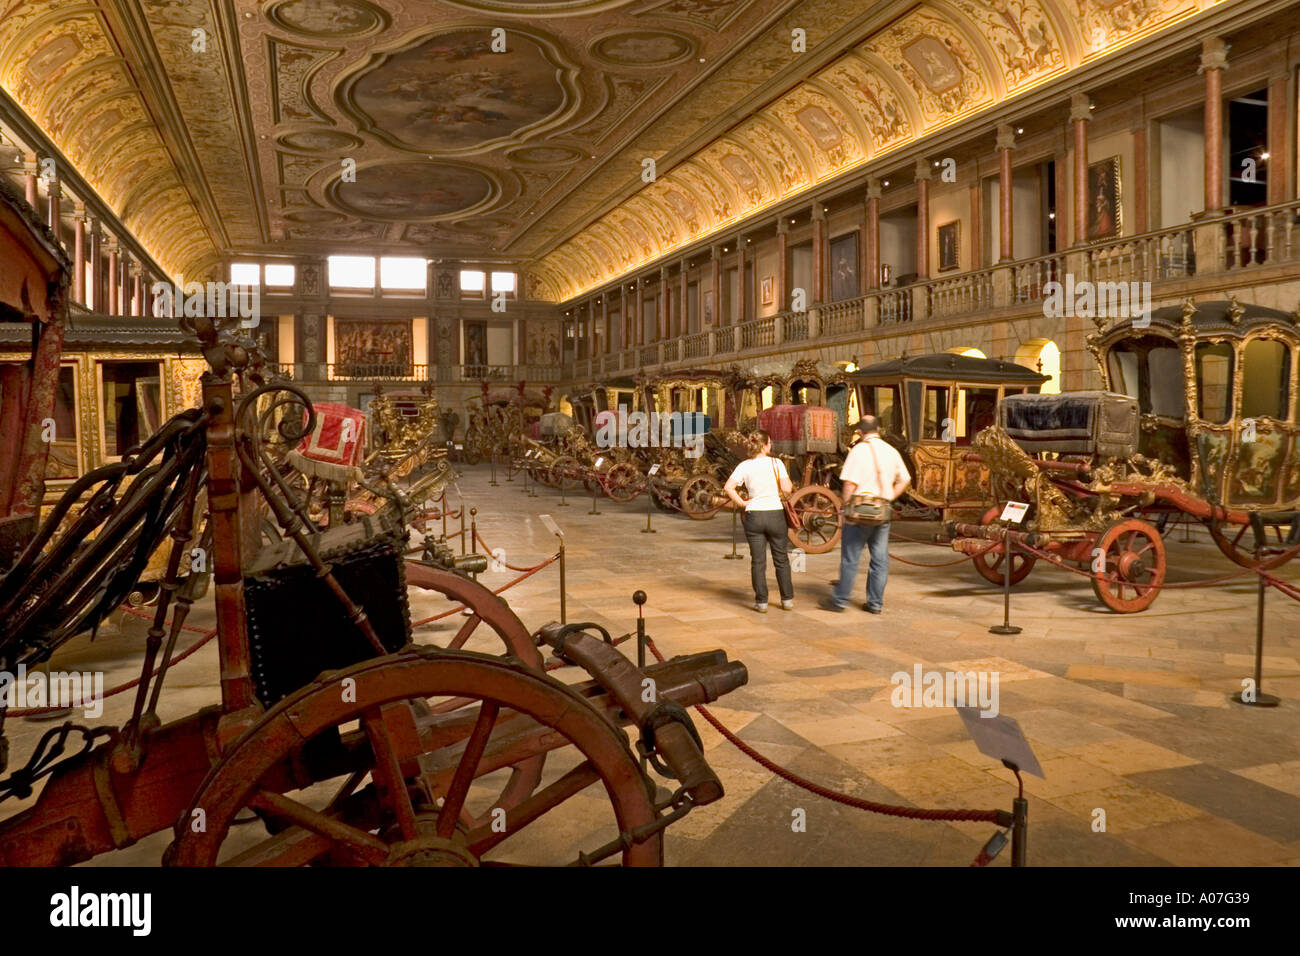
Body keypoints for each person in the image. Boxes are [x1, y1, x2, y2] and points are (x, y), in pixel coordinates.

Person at [819, 416, 911, 614]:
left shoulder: (858, 451)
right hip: (881, 512)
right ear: (879, 429)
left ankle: (840, 601)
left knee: (850, 558)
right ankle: (875, 604)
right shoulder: (891, 451)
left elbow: (849, 484)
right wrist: (889, 497)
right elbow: (905, 479)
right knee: (880, 559)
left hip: (859, 513)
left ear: (860, 432)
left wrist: (845, 508)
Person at [723, 429, 795, 613]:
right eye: (769, 443)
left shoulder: (744, 465)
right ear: (764, 446)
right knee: (782, 560)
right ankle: (786, 600)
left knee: (758, 561)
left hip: (754, 515)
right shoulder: (776, 463)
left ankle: (762, 602)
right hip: (775, 514)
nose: (771, 445)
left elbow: (728, 487)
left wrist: (741, 502)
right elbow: (787, 489)